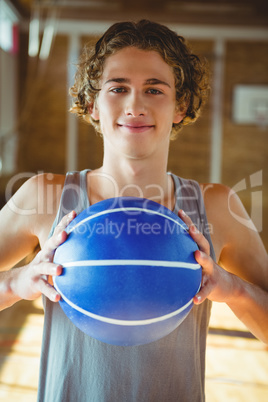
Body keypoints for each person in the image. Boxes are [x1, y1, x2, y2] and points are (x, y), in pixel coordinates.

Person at [0, 20, 267, 402]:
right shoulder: (44, 197)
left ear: (181, 105)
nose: (135, 105)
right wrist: (16, 282)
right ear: (92, 104)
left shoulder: (217, 207)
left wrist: (233, 288)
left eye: (154, 89)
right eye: (118, 88)